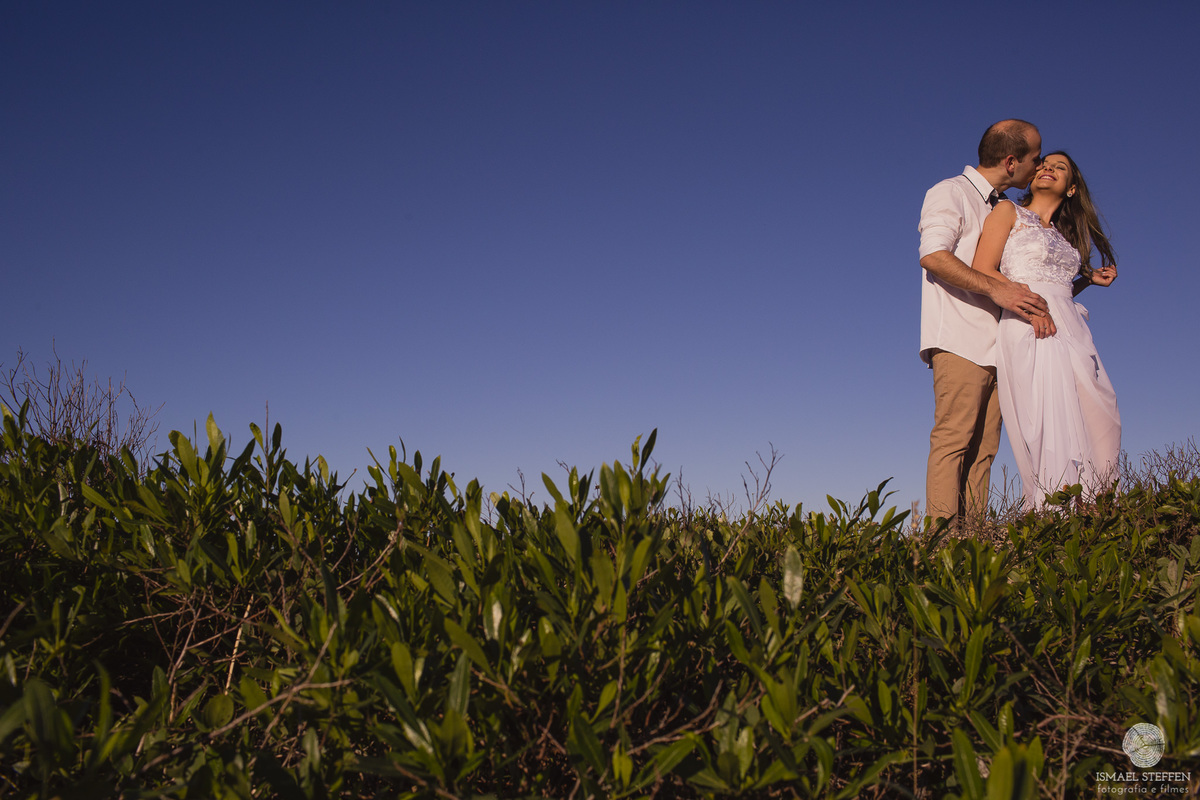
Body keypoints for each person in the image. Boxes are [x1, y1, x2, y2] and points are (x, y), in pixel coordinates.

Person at [918, 119, 1052, 524]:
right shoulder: (950, 192)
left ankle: (973, 542)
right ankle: (940, 545)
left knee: (985, 451)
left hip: (1000, 348)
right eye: (1035, 157)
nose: (1039, 164)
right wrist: (998, 291)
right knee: (953, 441)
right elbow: (934, 256)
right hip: (959, 339)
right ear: (1011, 162)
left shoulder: (1002, 208)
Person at [971, 151, 1120, 509]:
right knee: (1049, 422)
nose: (1049, 168)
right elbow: (983, 268)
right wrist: (1026, 306)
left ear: (1071, 189)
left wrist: (1086, 280)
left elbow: (1059, 287)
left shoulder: (1065, 238)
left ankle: (1100, 511)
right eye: (1045, 163)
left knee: (1102, 414)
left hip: (1071, 325)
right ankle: (1055, 517)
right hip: (1029, 323)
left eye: (1060, 167)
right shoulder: (1008, 212)